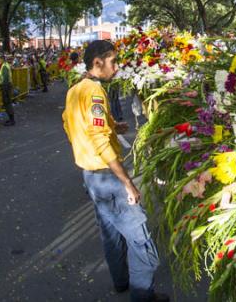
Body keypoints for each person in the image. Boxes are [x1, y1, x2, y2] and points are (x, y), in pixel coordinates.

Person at [63, 40, 167, 301]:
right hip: (107, 177)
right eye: (113, 61)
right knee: (140, 239)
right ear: (97, 63)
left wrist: (112, 125)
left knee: (111, 233)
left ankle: (121, 281)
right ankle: (143, 295)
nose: (117, 67)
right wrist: (128, 183)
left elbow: (71, 124)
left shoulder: (75, 90)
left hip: (90, 176)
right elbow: (97, 137)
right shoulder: (95, 92)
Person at [0, 54, 16, 126]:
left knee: (7, 103)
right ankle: (11, 119)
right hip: (7, 86)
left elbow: (5, 78)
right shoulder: (5, 65)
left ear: (2, 59)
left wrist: (3, 87)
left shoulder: (5, 66)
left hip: (6, 87)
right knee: (8, 103)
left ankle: (12, 120)